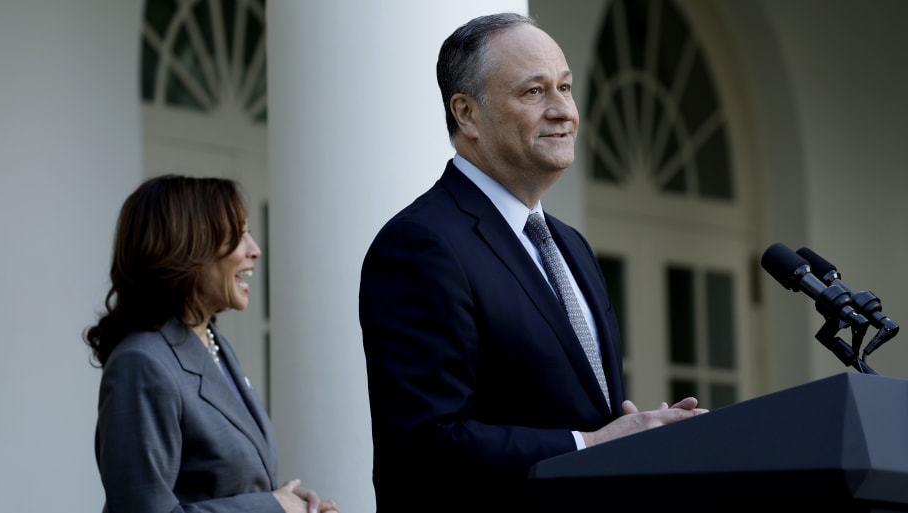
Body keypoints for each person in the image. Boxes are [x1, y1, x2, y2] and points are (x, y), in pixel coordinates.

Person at [358, 12, 708, 512]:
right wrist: (591, 444)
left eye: (565, 88)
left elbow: (585, 413)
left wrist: (640, 434)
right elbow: (425, 445)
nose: (563, 110)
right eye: (534, 92)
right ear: (467, 114)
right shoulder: (421, 245)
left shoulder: (571, 246)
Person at [85, 175, 339, 513]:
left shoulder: (211, 343)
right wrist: (271, 507)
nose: (255, 249)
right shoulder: (143, 363)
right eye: (238, 235)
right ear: (186, 248)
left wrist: (290, 505)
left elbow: (218, 488)